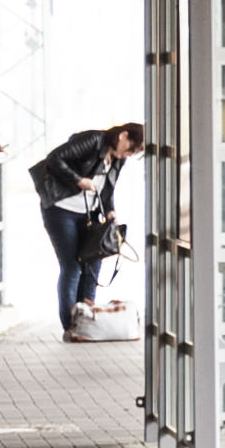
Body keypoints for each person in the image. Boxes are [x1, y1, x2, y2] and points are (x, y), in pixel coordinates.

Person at [25, 118, 146, 341]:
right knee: (71, 266)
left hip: (88, 213)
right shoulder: (93, 140)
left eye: (134, 153)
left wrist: (110, 211)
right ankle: (70, 325)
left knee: (93, 262)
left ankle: (86, 320)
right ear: (123, 135)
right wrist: (79, 180)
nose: (129, 154)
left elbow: (108, 188)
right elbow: (54, 158)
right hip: (61, 209)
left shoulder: (118, 159)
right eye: (131, 148)